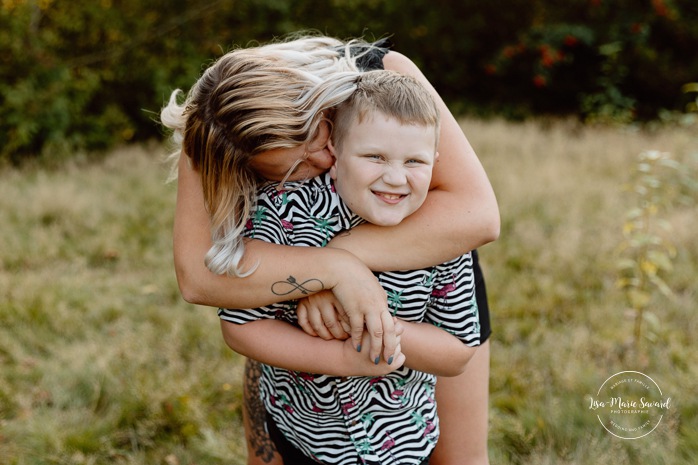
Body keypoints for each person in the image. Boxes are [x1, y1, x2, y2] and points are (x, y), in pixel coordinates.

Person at [161, 34, 497, 465]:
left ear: (325, 105)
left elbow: (478, 216)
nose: (322, 163)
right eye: (291, 170)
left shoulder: (385, 78)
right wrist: (326, 273)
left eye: (318, 139)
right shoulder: (216, 124)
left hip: (421, 266)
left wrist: (337, 263)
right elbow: (199, 276)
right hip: (303, 381)